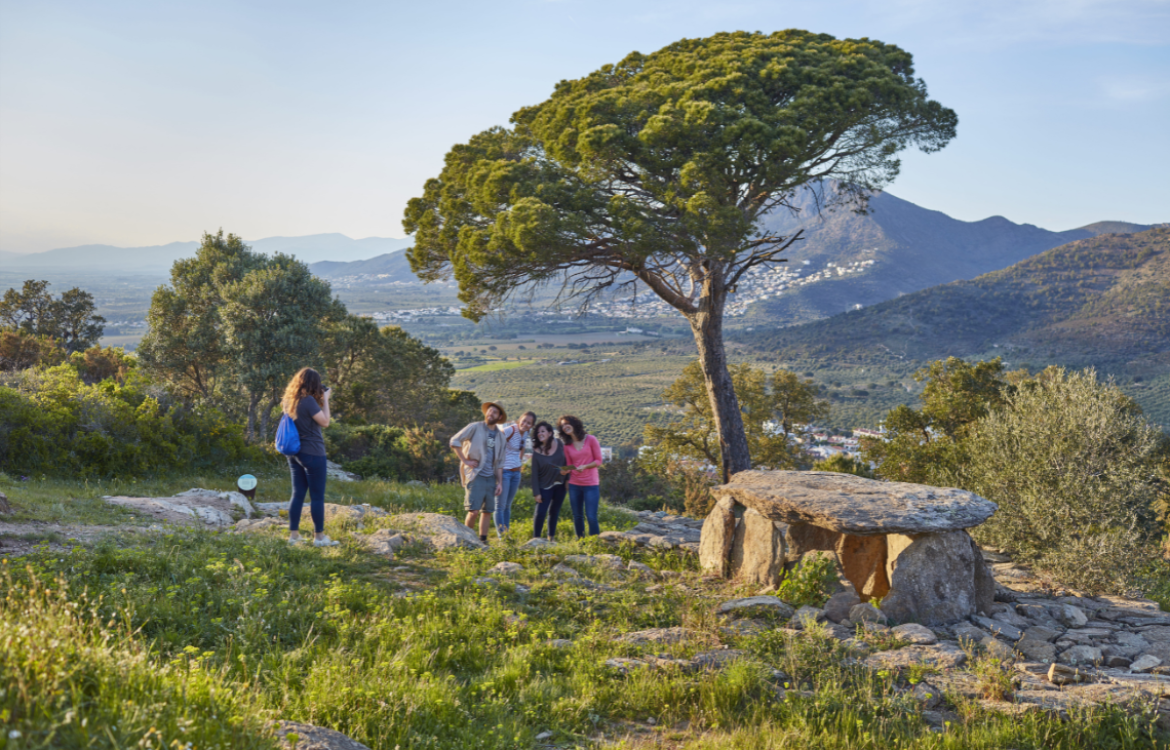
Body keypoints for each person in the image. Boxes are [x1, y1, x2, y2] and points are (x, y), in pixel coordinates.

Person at [282, 367, 340, 547]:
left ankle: (294, 536)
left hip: (294, 453)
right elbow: (325, 422)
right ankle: (319, 538)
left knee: (297, 493)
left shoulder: (289, 400)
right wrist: (326, 401)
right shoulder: (308, 401)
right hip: (313, 452)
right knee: (317, 496)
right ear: (313, 384)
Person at [450, 401, 507, 543]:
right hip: (475, 474)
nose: (490, 413)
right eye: (489, 411)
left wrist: (499, 482)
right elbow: (454, 441)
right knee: (473, 510)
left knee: (487, 511)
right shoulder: (475, 427)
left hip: (491, 477)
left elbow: (500, 463)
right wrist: (466, 461)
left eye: (494, 412)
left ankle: (483, 540)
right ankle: (466, 539)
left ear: (499, 417)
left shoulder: (500, 437)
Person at [558, 415, 603, 538]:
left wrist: (585, 466)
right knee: (577, 516)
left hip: (591, 484)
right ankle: (581, 543)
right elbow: (570, 465)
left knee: (591, 516)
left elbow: (599, 461)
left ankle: (594, 543)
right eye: (562, 426)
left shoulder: (591, 439)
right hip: (574, 485)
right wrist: (564, 470)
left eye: (566, 423)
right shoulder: (567, 446)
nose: (565, 427)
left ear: (574, 423)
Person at [496, 410, 535, 535]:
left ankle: (506, 535)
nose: (525, 424)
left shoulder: (525, 433)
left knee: (507, 506)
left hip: (516, 473)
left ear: (531, 426)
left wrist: (519, 462)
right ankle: (502, 536)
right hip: (504, 472)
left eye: (529, 423)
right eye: (524, 421)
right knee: (500, 507)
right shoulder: (510, 430)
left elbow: (522, 446)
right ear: (519, 420)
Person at [529, 421, 567, 540]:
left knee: (554, 512)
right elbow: (534, 474)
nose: (540, 433)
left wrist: (567, 474)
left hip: (560, 485)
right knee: (540, 513)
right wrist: (536, 492)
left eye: (543, 431)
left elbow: (568, 461)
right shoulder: (536, 451)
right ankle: (536, 539)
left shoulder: (560, 443)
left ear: (550, 433)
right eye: (538, 432)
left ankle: (551, 538)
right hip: (544, 486)